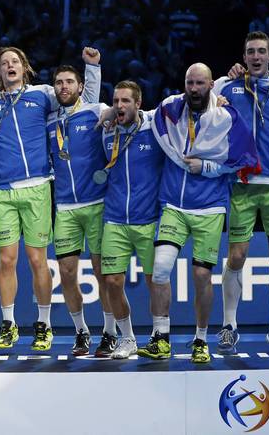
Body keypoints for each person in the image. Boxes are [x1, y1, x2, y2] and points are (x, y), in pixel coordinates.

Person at [0, 46, 101, 351]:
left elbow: (85, 103)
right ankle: (9, 324)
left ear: (25, 66)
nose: (10, 66)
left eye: (15, 61)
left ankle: (43, 325)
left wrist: (93, 69)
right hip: (4, 190)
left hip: (37, 187)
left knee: (36, 260)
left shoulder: (43, 94)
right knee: (6, 260)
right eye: (4, 63)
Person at [139, 63, 258, 364]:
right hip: (174, 206)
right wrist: (112, 113)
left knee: (202, 276)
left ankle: (201, 338)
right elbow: (142, 117)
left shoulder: (226, 117)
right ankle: (160, 336)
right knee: (161, 268)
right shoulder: (169, 108)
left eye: (200, 83)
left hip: (209, 207)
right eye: (189, 82)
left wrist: (207, 167)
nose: (194, 88)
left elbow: (244, 160)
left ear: (210, 85)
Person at [215, 31, 269, 354]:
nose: (256, 56)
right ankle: (229, 324)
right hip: (242, 186)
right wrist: (219, 89)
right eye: (251, 52)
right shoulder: (228, 87)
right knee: (237, 256)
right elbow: (198, 94)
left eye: (262, 51)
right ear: (243, 57)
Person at [46, 64, 115, 356]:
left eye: (69, 82)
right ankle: (81, 331)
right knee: (66, 272)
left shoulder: (97, 110)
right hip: (65, 207)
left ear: (79, 86)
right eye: (59, 82)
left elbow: (123, 113)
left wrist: (95, 67)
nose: (64, 87)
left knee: (102, 272)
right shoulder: (49, 122)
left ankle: (110, 332)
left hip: (97, 204)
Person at [99, 81, 165, 359]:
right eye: (116, 101)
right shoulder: (108, 134)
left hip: (149, 219)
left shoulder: (155, 129)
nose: (119, 106)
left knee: (155, 281)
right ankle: (127, 337)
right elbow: (91, 106)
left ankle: (160, 335)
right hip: (114, 219)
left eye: (126, 101)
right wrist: (105, 114)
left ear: (138, 103)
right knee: (112, 281)